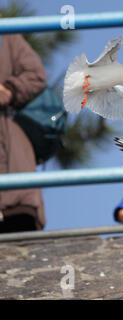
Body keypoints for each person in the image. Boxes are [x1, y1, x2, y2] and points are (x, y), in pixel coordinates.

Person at [0, 32, 47, 232]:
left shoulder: (7, 37)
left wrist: (9, 91)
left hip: (15, 193)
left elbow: (35, 76)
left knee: (21, 238)